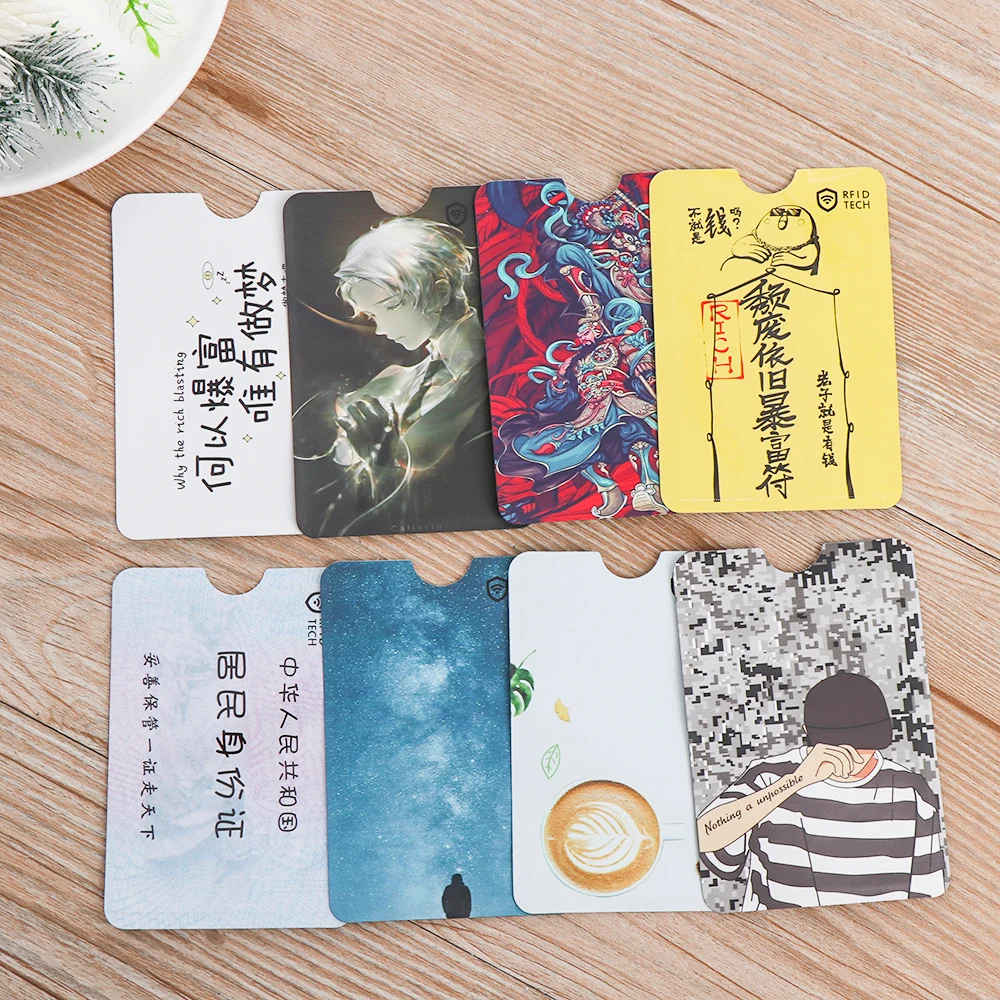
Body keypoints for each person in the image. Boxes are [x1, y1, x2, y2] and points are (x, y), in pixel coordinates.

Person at [294, 216, 497, 534]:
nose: (380, 329)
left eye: (387, 308)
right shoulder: (398, 379)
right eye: (371, 315)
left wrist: (382, 462)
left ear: (440, 292)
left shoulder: (492, 376)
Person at [697, 671, 946, 910]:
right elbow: (704, 836)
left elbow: (928, 889)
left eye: (864, 742)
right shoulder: (768, 777)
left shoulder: (911, 791)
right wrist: (797, 780)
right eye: (837, 743)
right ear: (808, 734)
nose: (851, 756)